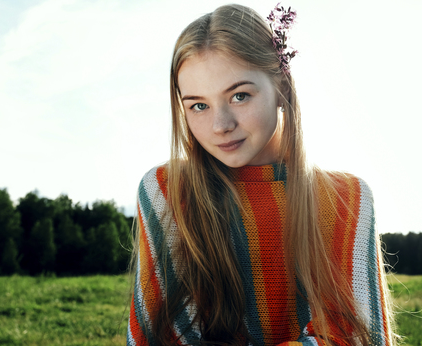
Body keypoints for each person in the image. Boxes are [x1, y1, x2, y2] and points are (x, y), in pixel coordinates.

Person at [126, 3, 395, 346]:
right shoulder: (167, 192)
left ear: (281, 87)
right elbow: (162, 337)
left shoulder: (348, 198)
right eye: (198, 105)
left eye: (239, 96)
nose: (220, 125)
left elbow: (356, 338)